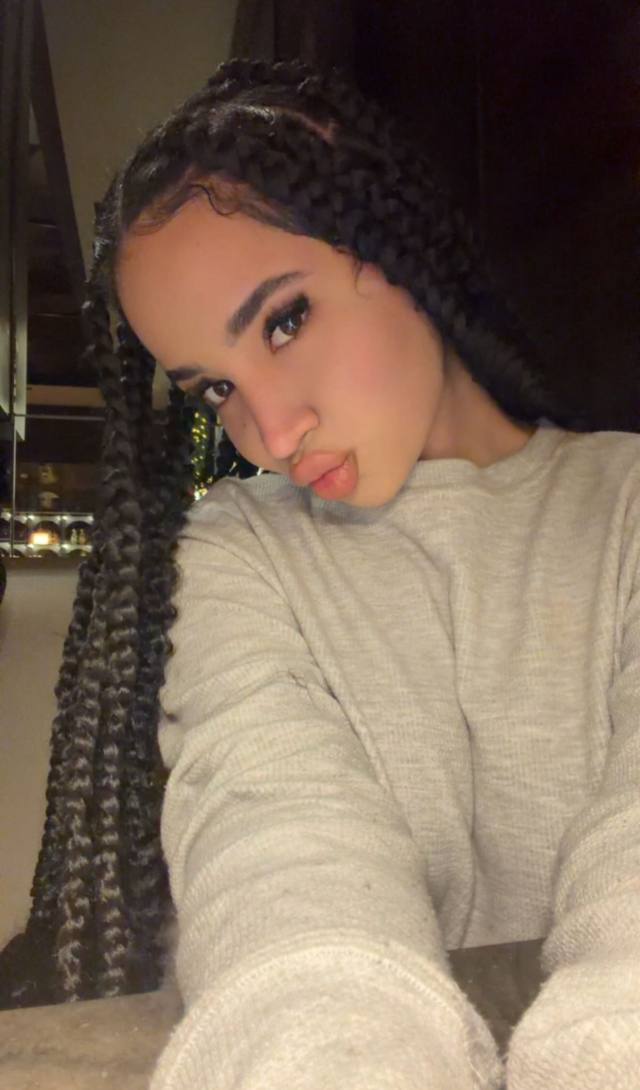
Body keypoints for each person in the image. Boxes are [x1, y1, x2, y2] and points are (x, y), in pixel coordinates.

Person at [1, 55, 638, 1089]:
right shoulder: (238, 549)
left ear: (398, 246)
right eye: (215, 390)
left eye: (285, 321)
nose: (270, 430)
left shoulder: (625, 506)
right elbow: (278, 842)